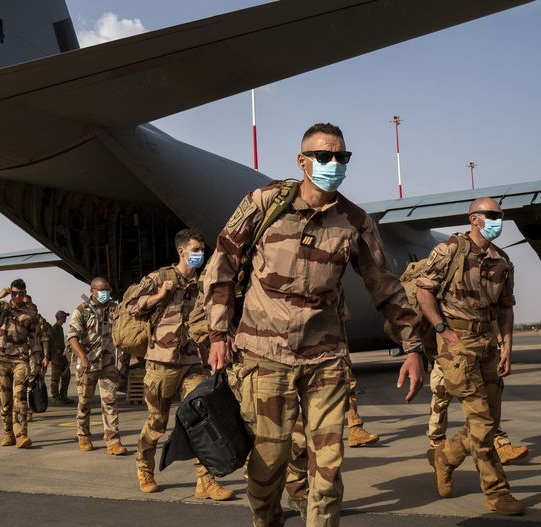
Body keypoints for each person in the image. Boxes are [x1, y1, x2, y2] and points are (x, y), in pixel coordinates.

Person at [203, 123, 425, 527]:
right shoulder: (265, 202)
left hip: (325, 359)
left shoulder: (354, 221)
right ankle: (266, 519)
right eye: (324, 156)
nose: (333, 164)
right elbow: (222, 264)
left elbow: (385, 285)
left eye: (341, 157)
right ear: (302, 161)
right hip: (264, 356)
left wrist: (413, 347)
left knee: (327, 466)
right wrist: (218, 333)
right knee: (269, 463)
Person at [416, 197, 525, 515]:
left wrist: (507, 346)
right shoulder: (449, 250)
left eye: (501, 215)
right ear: (474, 219)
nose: (498, 220)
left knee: (488, 424)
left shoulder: (502, 260)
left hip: (488, 344)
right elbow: (424, 289)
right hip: (456, 347)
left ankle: (445, 456)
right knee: (481, 421)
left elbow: (506, 307)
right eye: (491, 215)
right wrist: (441, 329)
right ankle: (497, 493)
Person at [128, 228, 234, 501]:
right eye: (196, 250)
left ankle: (206, 481)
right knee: (157, 422)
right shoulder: (160, 277)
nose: (200, 254)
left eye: (202, 250)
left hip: (193, 361)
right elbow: (132, 306)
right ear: (182, 251)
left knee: (201, 418)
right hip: (161, 362)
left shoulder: (202, 283)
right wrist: (159, 295)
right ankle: (144, 468)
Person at [0, 278, 47, 448]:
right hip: (1, 360)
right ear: (10, 292)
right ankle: (8, 433)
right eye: (14, 293)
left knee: (20, 398)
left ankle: (21, 434)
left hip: (20, 360)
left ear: (24, 294)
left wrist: (38, 364)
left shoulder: (31, 315)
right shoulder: (1, 309)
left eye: (20, 294)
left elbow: (36, 342)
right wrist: (0, 296)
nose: (16, 297)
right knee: (6, 401)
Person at [67, 277, 128, 455]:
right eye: (101, 290)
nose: (105, 293)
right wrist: (83, 358)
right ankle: (83, 435)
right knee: (85, 402)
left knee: (110, 401)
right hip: (87, 364)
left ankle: (113, 441)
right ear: (92, 290)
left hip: (108, 363)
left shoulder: (115, 309)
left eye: (107, 290)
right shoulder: (81, 311)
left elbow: (124, 332)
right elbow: (72, 337)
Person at [428, 359, 528, 464]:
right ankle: (437, 445)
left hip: (478, 358)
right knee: (440, 401)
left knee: (485, 401)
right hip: (448, 359)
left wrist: (505, 350)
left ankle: (500, 444)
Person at [22, 296, 50, 421]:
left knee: (30, 382)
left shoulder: (38, 320)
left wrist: (45, 357)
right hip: (20, 356)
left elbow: (44, 339)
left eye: (27, 303)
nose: (25, 306)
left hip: (34, 356)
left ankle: (28, 410)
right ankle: (25, 409)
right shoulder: (16, 318)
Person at [49, 310, 73, 404]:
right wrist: (54, 353)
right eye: (64, 317)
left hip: (61, 356)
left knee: (66, 376)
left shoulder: (60, 328)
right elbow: (50, 342)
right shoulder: (54, 328)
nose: (65, 318)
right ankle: (55, 397)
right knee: (55, 378)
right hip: (56, 357)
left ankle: (63, 396)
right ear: (60, 318)